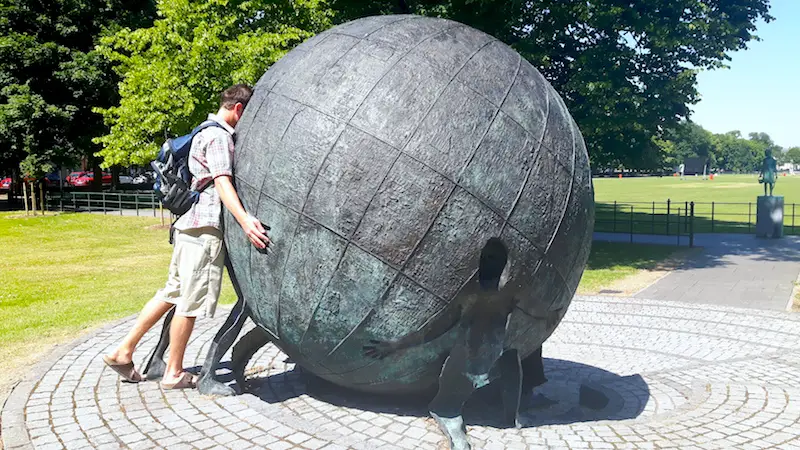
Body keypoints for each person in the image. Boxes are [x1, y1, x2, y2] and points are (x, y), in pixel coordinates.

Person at [102, 84, 270, 389]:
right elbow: (221, 182)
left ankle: (122, 351)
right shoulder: (219, 137)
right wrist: (244, 220)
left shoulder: (201, 132)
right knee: (189, 302)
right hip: (204, 227)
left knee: (172, 292)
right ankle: (174, 373)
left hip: (186, 225)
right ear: (238, 109)